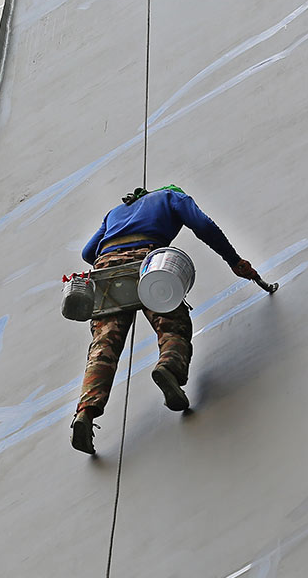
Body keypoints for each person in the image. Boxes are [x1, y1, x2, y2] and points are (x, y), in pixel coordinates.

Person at [70, 185, 258, 454]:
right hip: (147, 263)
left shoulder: (114, 213)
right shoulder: (171, 197)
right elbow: (202, 225)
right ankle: (169, 368)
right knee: (173, 324)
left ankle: (85, 412)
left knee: (104, 346)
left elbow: (89, 253)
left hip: (106, 272)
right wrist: (233, 260)